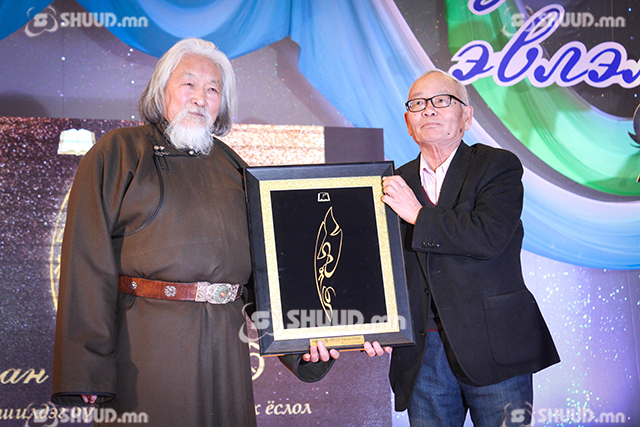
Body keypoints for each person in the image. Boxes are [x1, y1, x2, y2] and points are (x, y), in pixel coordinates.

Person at [51, 38, 333, 427]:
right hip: (145, 349)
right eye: (189, 84)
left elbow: (265, 277)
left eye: (213, 89)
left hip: (226, 351)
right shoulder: (118, 152)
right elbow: (86, 261)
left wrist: (299, 345)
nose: (200, 98)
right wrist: (87, 366)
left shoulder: (237, 168)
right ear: (161, 90)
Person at [367, 69, 560, 426]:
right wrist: (371, 324)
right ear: (408, 123)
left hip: (494, 345)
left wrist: (417, 215)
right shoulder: (392, 183)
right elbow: (379, 265)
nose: (429, 109)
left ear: (466, 117)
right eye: (417, 104)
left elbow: (488, 236)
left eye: (442, 101)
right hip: (423, 354)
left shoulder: (497, 166)